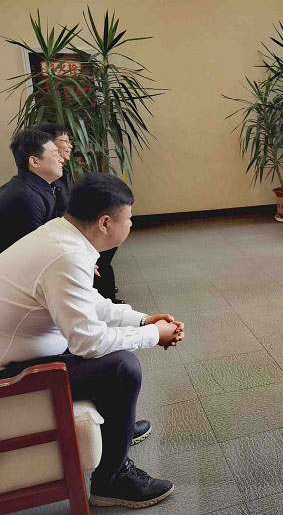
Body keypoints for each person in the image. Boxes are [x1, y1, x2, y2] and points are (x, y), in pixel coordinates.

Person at [0, 173, 184, 508]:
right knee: (122, 367)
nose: (131, 225)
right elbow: (88, 342)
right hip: (10, 375)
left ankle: (118, 428)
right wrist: (153, 335)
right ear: (105, 223)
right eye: (128, 218)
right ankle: (111, 481)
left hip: (23, 353)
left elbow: (89, 304)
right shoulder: (66, 257)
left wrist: (142, 320)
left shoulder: (60, 234)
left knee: (112, 356)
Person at [34, 122, 125, 303]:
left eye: (70, 141)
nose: (69, 146)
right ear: (47, 144)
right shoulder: (33, 191)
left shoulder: (61, 173)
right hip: (62, 239)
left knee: (109, 230)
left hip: (68, 231)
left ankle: (103, 292)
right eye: (64, 141)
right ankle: (102, 295)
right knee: (105, 237)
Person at [0, 129, 63, 253]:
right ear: (34, 161)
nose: (61, 160)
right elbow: (35, 252)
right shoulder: (25, 198)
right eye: (56, 155)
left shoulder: (30, 187)